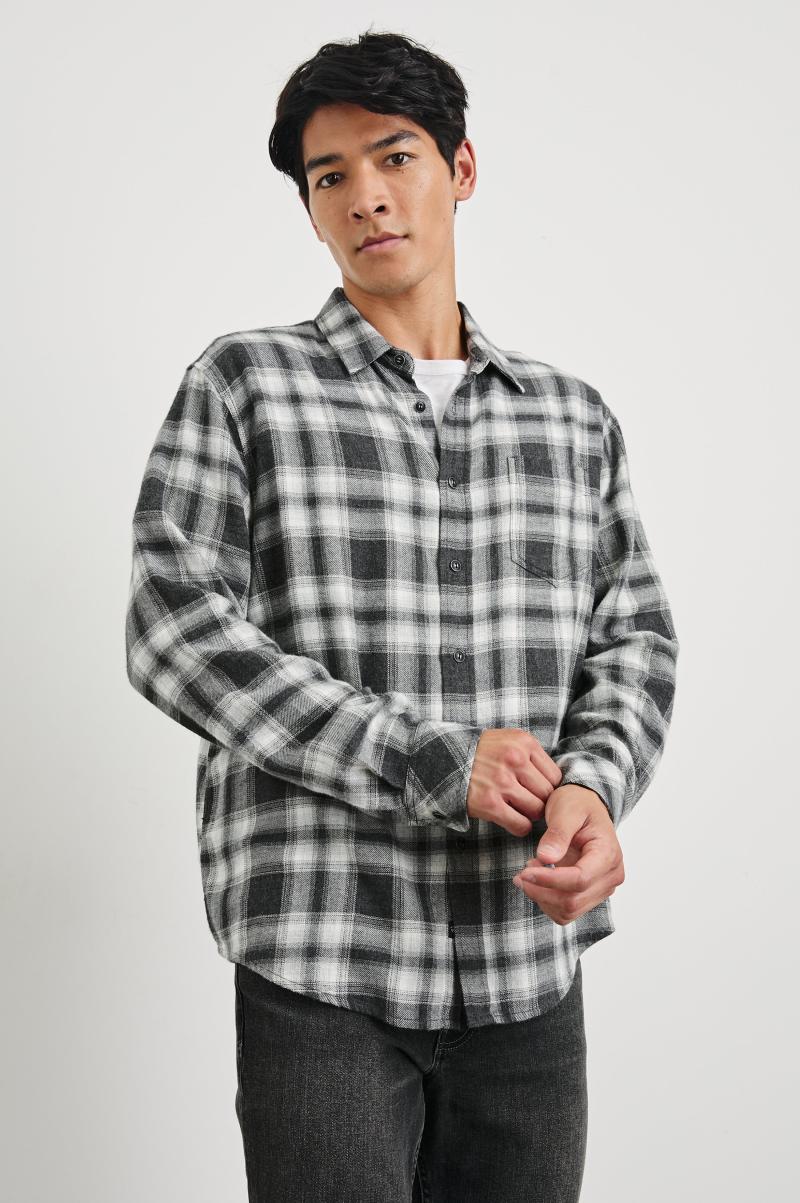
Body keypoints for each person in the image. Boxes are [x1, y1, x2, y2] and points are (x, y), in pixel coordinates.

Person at [125, 28, 680, 1203]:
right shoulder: (244, 384)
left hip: (524, 966)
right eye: (329, 177)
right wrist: (426, 758)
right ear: (309, 209)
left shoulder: (569, 418)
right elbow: (175, 631)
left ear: (459, 168)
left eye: (394, 157)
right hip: (321, 957)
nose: (365, 197)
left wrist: (590, 789)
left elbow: (630, 643)